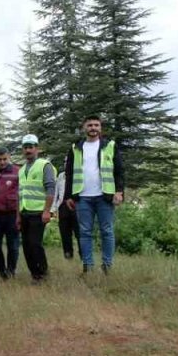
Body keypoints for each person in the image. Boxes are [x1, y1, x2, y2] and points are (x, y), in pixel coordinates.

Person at [63, 115, 125, 274]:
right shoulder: (75, 148)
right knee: (84, 232)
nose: (93, 128)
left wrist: (119, 191)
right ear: (84, 128)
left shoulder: (109, 146)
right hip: (82, 197)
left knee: (107, 231)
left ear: (100, 128)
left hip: (105, 195)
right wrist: (68, 196)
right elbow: (69, 173)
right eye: (90, 125)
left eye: (96, 125)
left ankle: (107, 266)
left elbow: (119, 170)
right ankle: (88, 266)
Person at [18, 134, 56, 282]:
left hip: (39, 212)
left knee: (35, 243)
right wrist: (18, 215)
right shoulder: (21, 170)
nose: (28, 150)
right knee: (26, 246)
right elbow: (19, 194)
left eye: (31, 147)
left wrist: (47, 211)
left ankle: (43, 272)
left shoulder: (44, 165)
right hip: (24, 212)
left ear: (37, 149)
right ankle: (35, 274)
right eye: (26, 147)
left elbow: (50, 189)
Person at [0, 147, 21, 279]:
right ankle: (1, 270)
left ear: (9, 158)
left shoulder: (17, 171)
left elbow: (21, 192)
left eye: (4, 159)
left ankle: (11, 270)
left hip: (12, 213)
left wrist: (20, 215)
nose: (2, 162)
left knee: (13, 245)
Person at [53, 165, 82, 261]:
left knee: (80, 233)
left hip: (77, 206)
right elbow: (56, 193)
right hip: (63, 206)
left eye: (68, 162)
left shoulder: (80, 174)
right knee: (65, 233)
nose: (66, 164)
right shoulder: (61, 176)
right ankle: (68, 256)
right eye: (65, 162)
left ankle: (84, 256)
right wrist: (53, 209)